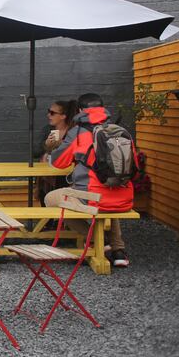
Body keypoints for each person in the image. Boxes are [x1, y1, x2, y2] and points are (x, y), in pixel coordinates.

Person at [46, 93, 136, 267]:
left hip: (91, 195)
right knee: (108, 196)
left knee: (51, 200)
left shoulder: (78, 132)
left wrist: (57, 148)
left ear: (80, 110)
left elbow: (58, 162)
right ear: (102, 109)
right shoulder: (119, 131)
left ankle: (99, 241)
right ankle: (119, 251)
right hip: (123, 196)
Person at [33, 100, 78, 204]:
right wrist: (46, 145)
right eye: (49, 111)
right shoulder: (47, 130)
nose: (49, 115)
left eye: (52, 113)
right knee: (46, 207)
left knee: (64, 209)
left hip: (67, 177)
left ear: (63, 116)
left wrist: (63, 144)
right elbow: (34, 152)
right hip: (47, 179)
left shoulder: (73, 132)